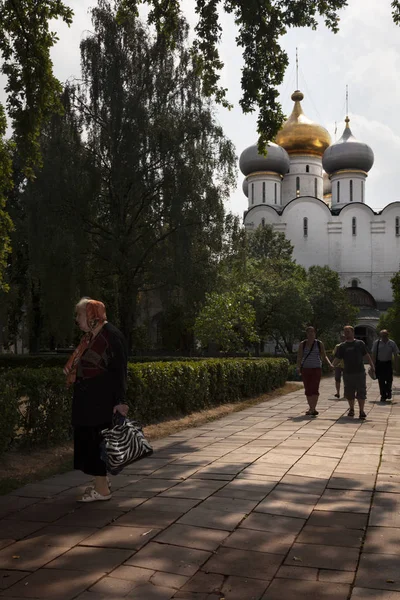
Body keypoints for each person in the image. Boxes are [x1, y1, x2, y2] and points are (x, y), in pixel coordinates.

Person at [64, 298, 129, 502]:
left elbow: (120, 370)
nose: (77, 319)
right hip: (90, 401)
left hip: (100, 402)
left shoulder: (111, 336)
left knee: (96, 442)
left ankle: (101, 490)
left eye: (80, 315)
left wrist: (120, 400)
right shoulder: (93, 337)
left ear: (92, 315)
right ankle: (101, 482)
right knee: (90, 441)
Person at [333, 325, 375, 420]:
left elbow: (367, 355)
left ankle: (361, 411)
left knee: (361, 392)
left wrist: (372, 366)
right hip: (348, 373)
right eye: (345, 331)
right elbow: (338, 358)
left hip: (359, 372)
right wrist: (332, 365)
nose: (346, 333)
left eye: (348, 331)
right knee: (349, 392)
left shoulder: (360, 343)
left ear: (352, 332)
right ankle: (351, 409)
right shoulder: (342, 346)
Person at [297, 326, 333, 417]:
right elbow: (300, 357)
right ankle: (311, 408)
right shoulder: (303, 344)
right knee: (308, 388)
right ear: (306, 334)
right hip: (306, 369)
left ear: (315, 333)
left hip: (316, 368)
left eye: (312, 332)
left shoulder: (319, 343)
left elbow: (324, 356)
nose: (311, 334)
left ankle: (313, 408)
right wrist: (298, 367)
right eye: (309, 332)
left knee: (315, 388)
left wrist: (329, 364)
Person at [372, 330, 399, 402]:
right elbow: (373, 354)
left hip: (388, 363)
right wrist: (373, 365)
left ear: (388, 335)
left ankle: (388, 391)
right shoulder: (377, 343)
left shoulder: (392, 343)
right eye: (382, 336)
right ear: (380, 336)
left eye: (385, 335)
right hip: (379, 364)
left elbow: (396, 354)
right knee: (381, 380)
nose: (384, 337)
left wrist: (396, 365)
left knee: (389, 379)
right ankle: (383, 395)